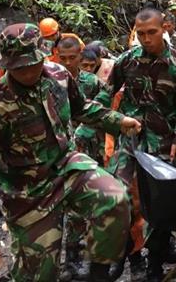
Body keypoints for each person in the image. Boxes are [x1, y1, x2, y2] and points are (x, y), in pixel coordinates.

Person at [0, 23, 142, 282]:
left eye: (30, 64)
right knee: (40, 273)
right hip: (28, 191)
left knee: (113, 198)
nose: (25, 71)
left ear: (42, 56)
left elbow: (81, 108)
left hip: (66, 166)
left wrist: (116, 121)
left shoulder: (58, 75)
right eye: (17, 66)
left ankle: (98, 275)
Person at [105, 8, 176, 282]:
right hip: (130, 141)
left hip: (163, 142)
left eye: (151, 33)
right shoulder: (127, 61)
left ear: (164, 28)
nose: (146, 39)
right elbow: (105, 93)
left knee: (160, 204)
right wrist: (109, 122)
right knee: (118, 197)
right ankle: (123, 256)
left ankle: (156, 262)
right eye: (141, 34)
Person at [56, 34, 111, 281]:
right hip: (65, 150)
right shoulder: (50, 81)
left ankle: (97, 257)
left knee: (99, 199)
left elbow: (106, 100)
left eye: (73, 58)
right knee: (69, 206)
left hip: (94, 146)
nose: (68, 63)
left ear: (81, 56)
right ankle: (71, 258)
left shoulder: (89, 81)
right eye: (63, 58)